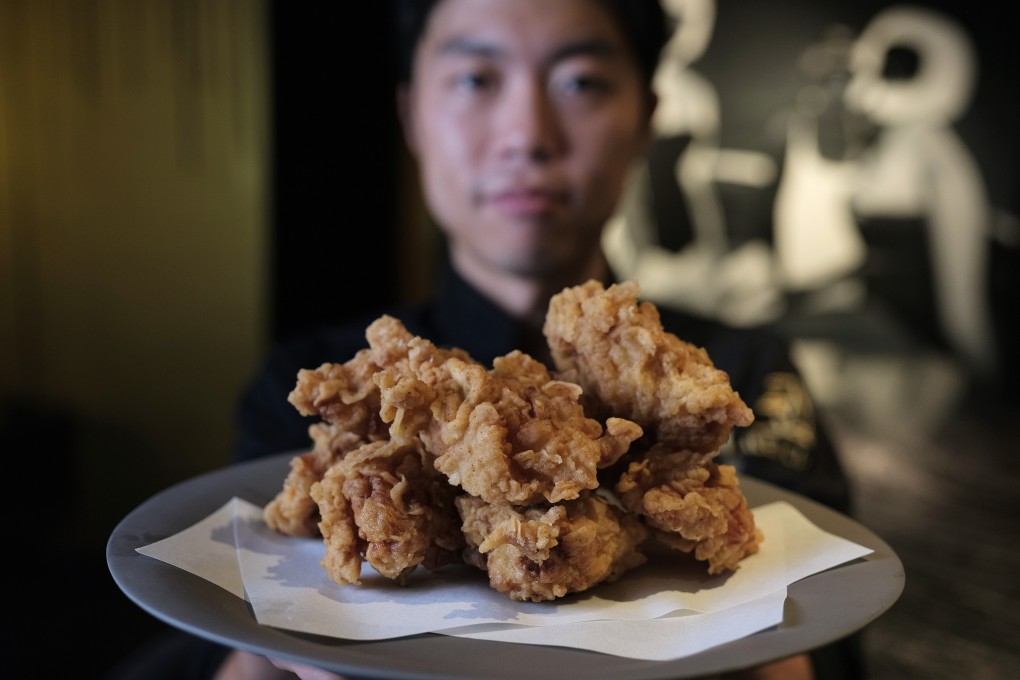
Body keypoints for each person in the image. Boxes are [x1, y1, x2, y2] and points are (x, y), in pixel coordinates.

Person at [109, 1, 859, 678]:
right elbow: (235, 625)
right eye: (475, 79)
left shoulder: (744, 373)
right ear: (411, 115)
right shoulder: (313, 384)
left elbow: (827, 622)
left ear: (646, 120)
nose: (526, 135)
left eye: (581, 82)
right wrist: (279, 650)